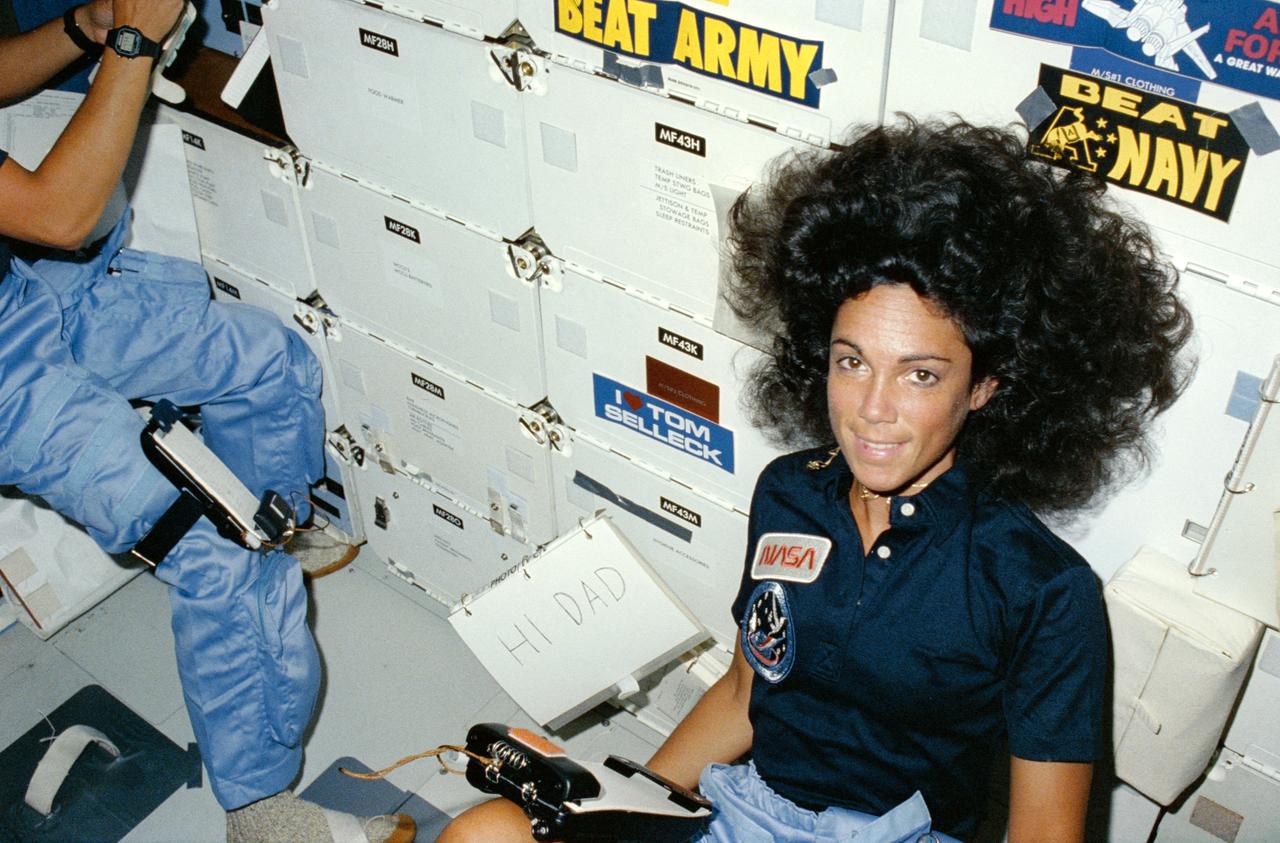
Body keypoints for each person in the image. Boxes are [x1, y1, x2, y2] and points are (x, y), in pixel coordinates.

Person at [438, 118, 1193, 842]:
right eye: (851, 361)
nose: (872, 409)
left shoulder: (1040, 588)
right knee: (483, 832)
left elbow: (1044, 833)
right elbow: (745, 692)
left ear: (986, 386)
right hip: (748, 813)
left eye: (920, 375)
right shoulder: (789, 493)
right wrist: (627, 810)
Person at [0, 2, 410, 840]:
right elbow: (58, 215)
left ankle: (274, 542)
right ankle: (259, 807)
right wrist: (132, 42)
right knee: (222, 549)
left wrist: (83, 25)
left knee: (268, 363)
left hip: (24, 293)